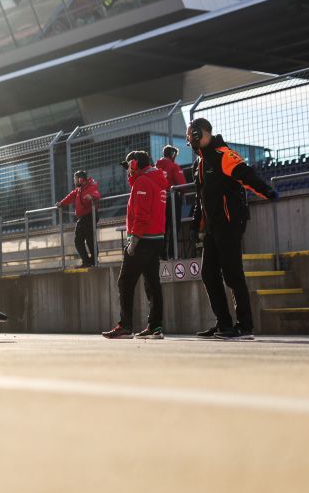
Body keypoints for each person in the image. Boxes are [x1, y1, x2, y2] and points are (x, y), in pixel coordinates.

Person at [188, 118, 277, 339]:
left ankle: (245, 327)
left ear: (202, 132)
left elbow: (247, 175)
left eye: (192, 133)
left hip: (230, 223)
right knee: (208, 274)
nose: (189, 138)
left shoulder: (224, 155)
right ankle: (224, 325)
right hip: (213, 227)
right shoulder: (199, 163)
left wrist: (267, 191)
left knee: (232, 274)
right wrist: (195, 225)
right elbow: (200, 198)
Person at [102, 151, 169, 339]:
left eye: (128, 166)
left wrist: (134, 240)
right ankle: (155, 327)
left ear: (135, 164)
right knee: (152, 283)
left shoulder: (143, 182)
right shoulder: (156, 180)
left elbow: (142, 215)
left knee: (125, 282)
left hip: (143, 240)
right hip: (156, 239)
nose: (127, 171)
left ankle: (125, 326)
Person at [58, 171, 101, 267]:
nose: (74, 181)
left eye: (75, 179)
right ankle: (87, 261)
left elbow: (96, 194)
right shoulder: (79, 189)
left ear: (80, 179)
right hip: (82, 218)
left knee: (90, 240)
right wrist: (62, 203)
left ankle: (93, 261)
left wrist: (92, 197)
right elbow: (71, 196)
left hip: (90, 216)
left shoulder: (91, 186)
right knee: (78, 240)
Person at [156, 145, 186, 258]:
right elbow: (182, 185)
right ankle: (173, 254)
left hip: (159, 201)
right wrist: (183, 193)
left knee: (161, 227)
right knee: (174, 226)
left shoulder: (155, 168)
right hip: (172, 199)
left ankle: (161, 254)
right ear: (173, 155)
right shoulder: (174, 166)